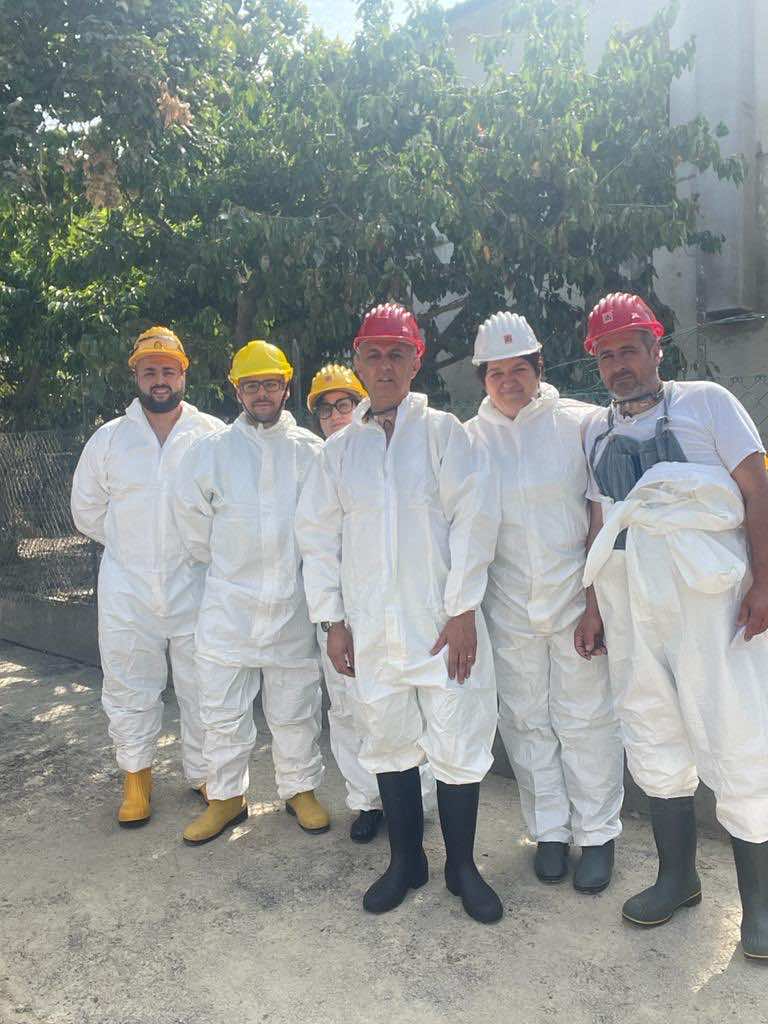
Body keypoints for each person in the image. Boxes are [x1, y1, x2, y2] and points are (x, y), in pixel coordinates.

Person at [575, 292, 768, 960]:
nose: (619, 364)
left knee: (735, 732)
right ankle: (677, 878)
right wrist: (594, 606)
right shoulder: (595, 430)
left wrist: (766, 581)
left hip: (709, 602)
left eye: (630, 349)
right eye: (607, 355)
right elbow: (600, 521)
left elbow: (757, 489)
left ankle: (760, 906)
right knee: (651, 729)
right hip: (630, 602)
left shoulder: (708, 403)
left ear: (657, 348)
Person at [296, 303, 503, 924]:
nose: (384, 366)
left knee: (457, 741)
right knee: (387, 741)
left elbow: (475, 521)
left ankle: (462, 867)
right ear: (358, 363)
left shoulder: (444, 434)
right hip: (372, 628)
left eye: (397, 354)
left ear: (416, 362)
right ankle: (406, 862)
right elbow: (317, 540)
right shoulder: (339, 452)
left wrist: (462, 609)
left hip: (441, 627)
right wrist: (333, 621)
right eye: (374, 355)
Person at [466, 311, 624, 893]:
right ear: (483, 377)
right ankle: (550, 832)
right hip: (507, 608)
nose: (509, 382)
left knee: (587, 720)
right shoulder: (468, 439)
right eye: (496, 372)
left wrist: (595, 601)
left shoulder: (580, 424)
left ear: (539, 367)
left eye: (519, 369)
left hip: (575, 602)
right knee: (525, 720)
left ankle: (598, 834)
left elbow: (601, 515)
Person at [174, 340, 329, 845]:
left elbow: (325, 527)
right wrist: (231, 569)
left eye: (271, 384)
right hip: (228, 609)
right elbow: (192, 527)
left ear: (286, 386)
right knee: (220, 710)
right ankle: (225, 798)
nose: (262, 393)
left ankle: (300, 790)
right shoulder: (210, 453)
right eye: (252, 385)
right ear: (236, 390)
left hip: (291, 608)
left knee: (296, 708)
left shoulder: (311, 452)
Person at [71, 326, 223, 827]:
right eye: (150, 371)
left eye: (169, 371)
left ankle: (205, 773)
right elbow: (86, 511)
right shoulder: (110, 439)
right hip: (128, 589)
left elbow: (230, 506)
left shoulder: (211, 435)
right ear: (136, 375)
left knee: (204, 685)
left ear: (184, 374)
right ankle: (136, 776)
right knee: (128, 682)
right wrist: (130, 545)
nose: (160, 380)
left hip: (196, 584)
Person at [306, 363, 436, 843]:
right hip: (343, 616)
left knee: (406, 710)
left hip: (399, 610)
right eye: (325, 409)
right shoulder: (326, 460)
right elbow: (316, 544)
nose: (336, 415)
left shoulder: (405, 449)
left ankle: (415, 802)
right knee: (347, 710)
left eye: (344, 403)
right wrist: (331, 619)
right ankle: (367, 801)